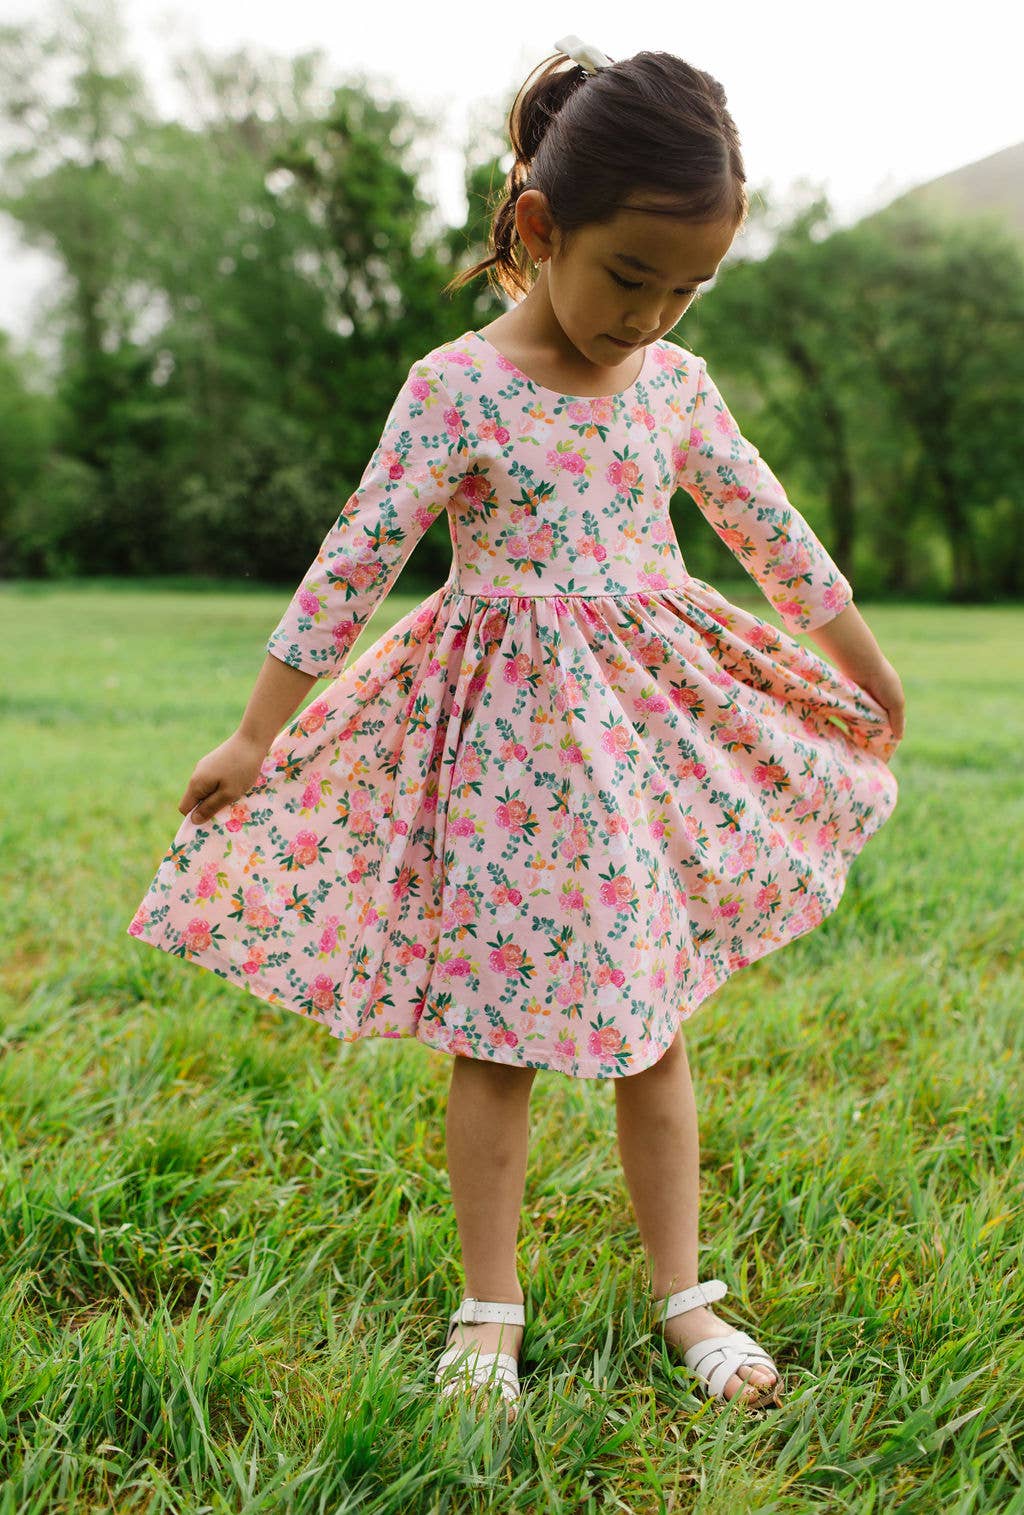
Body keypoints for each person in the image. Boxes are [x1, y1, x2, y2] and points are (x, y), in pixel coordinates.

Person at [127, 35, 904, 1421]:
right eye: (630, 278)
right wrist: (255, 738)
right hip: (499, 758)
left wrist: (862, 665)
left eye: (688, 289)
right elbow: (354, 563)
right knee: (495, 1033)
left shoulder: (674, 386)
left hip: (644, 743)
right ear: (540, 229)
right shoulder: (458, 387)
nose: (653, 316)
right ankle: (491, 1308)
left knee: (649, 1016)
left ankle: (687, 1295)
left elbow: (770, 534)